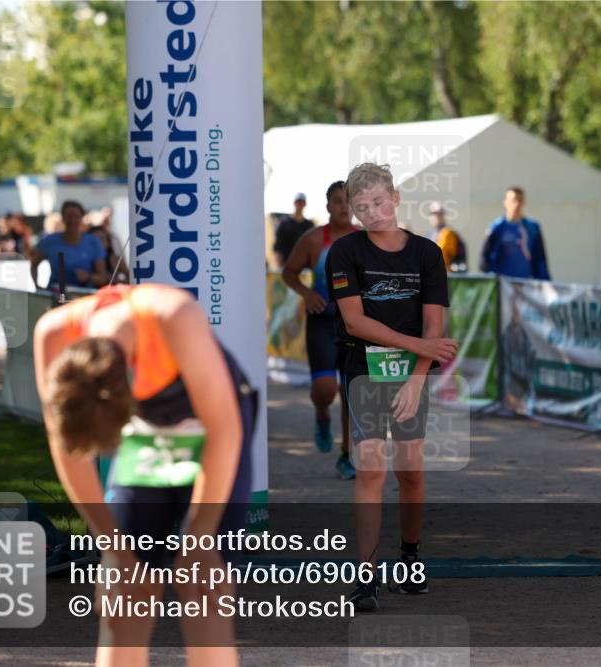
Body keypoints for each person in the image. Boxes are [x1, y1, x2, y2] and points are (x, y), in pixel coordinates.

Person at [33, 283, 249, 667]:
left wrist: (199, 541)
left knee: (202, 592)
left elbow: (224, 429)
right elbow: (67, 449)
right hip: (148, 430)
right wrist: (112, 548)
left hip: (216, 426)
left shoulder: (173, 315)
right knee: (125, 597)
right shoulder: (52, 333)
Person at [326, 163, 457, 611]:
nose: (372, 213)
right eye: (361, 208)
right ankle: (366, 577)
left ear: (396, 197)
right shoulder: (345, 251)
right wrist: (423, 345)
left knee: (411, 472)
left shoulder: (427, 253)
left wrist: (418, 376)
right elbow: (354, 320)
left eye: (379, 202)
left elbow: (435, 326)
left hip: (412, 374)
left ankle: (410, 557)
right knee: (370, 469)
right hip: (363, 366)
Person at [281, 181, 358, 479]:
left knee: (352, 393)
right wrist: (307, 293)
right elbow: (288, 273)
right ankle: (322, 414)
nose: (343, 207)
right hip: (322, 323)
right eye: (338, 201)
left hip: (355, 327)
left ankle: (347, 455)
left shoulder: (365, 241)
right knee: (326, 390)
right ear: (327, 206)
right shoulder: (313, 240)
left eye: (348, 201)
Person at [30, 201, 108, 291]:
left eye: (76, 217)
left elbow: (102, 278)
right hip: (56, 295)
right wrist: (36, 285)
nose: (72, 220)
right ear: (63, 218)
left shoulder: (93, 242)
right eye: (69, 216)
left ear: (82, 218)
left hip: (82, 296)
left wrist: (88, 277)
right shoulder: (49, 241)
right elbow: (34, 264)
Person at [480, 187, 551, 280]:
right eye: (513, 200)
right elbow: (485, 258)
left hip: (526, 283)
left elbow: (540, 258)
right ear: (505, 202)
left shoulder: (532, 227)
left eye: (520, 200)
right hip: (503, 284)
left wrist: (544, 281)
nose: (517, 204)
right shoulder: (497, 227)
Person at [272, 192, 314, 266]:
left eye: (302, 202)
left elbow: (313, 247)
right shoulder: (284, 225)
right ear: (294, 203)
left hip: (305, 268)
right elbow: (278, 247)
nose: (299, 205)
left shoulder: (309, 226)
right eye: (298, 202)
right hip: (288, 266)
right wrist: (279, 266)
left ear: (305, 204)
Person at [428, 201, 467, 272]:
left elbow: (460, 258)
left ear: (444, 215)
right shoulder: (430, 235)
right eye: (434, 213)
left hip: (447, 277)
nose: (437, 216)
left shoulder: (450, 234)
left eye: (440, 213)